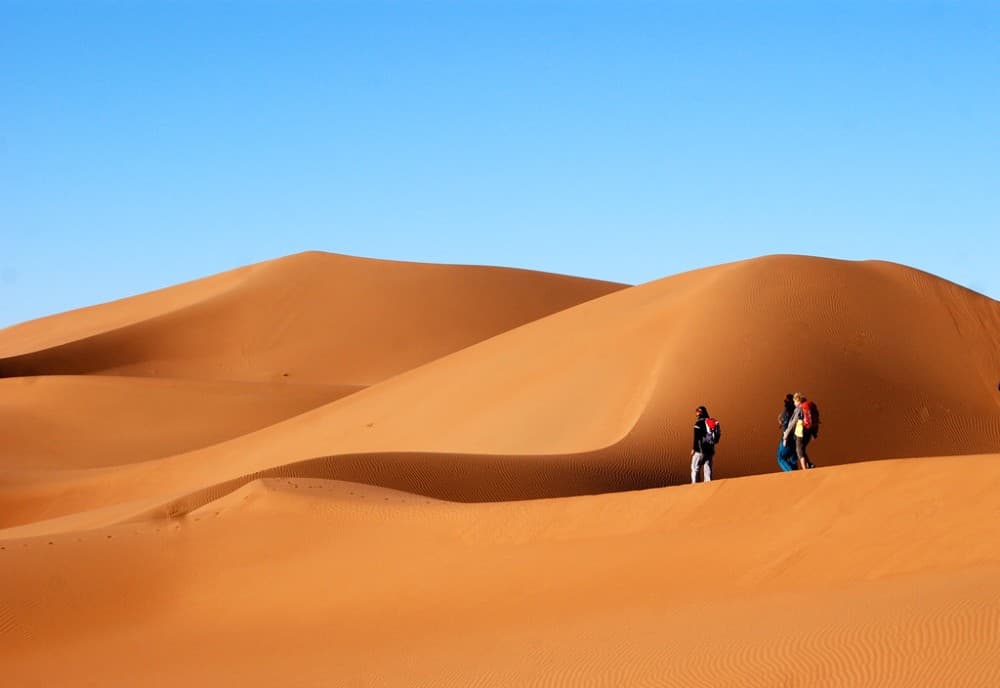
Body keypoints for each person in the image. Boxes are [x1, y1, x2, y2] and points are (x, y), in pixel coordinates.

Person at [783, 392, 817, 470]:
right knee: (802, 448)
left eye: (795, 401)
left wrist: (785, 435)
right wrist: (814, 433)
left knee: (799, 450)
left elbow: (792, 423)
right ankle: (809, 465)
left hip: (801, 432)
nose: (794, 403)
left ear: (798, 400)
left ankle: (804, 470)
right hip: (808, 431)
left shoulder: (799, 408)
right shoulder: (807, 406)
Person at [691, 405, 720, 483]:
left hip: (700, 451)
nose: (696, 414)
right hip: (710, 450)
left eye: (698, 412)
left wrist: (693, 449)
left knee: (695, 469)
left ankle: (695, 487)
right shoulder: (711, 422)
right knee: (708, 470)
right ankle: (708, 487)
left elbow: (696, 437)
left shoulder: (698, 424)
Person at [776, 393, 798, 471]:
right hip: (795, 438)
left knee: (780, 457)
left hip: (787, 438)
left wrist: (785, 439)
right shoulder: (796, 410)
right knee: (792, 458)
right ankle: (798, 475)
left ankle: (792, 474)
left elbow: (787, 426)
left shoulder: (787, 412)